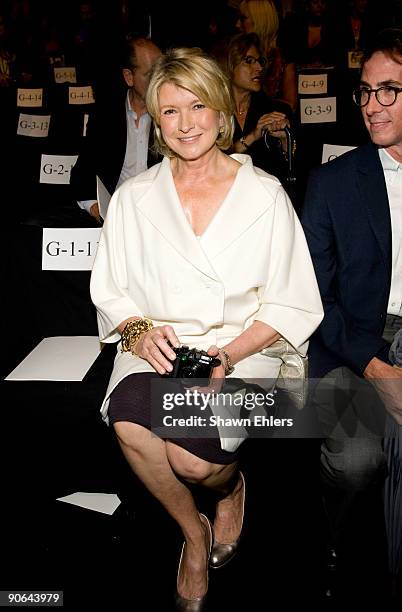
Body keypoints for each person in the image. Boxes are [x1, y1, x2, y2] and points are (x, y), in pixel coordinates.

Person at [90, 46, 323, 609]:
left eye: (198, 106)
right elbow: (112, 290)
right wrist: (139, 330)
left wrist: (231, 353)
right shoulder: (133, 198)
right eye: (169, 111)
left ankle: (230, 486)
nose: (186, 123)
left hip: (247, 349)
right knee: (131, 425)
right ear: (155, 122)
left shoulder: (265, 196)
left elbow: (292, 300)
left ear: (222, 111)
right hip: (158, 348)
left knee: (193, 459)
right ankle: (193, 534)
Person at [301, 28, 402, 597]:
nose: (371, 106)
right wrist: (377, 368)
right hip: (352, 341)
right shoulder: (334, 181)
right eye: (365, 92)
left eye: (389, 90)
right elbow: (316, 298)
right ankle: (339, 536)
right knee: (358, 461)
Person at [70, 36, 161, 223]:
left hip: (159, 215)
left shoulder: (173, 114)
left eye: (163, 71)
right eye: (151, 74)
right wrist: (95, 206)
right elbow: (83, 169)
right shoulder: (106, 114)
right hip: (115, 213)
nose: (159, 80)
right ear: (129, 77)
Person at [221, 32, 294, 196]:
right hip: (224, 199)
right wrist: (253, 136)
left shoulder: (275, 111)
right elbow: (212, 162)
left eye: (260, 61)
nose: (259, 68)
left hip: (267, 198)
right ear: (229, 65)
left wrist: (284, 140)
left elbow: (296, 166)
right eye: (248, 61)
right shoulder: (212, 112)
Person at [235, 0, 298, 112]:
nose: (237, 24)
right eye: (249, 61)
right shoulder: (234, 52)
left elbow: (291, 105)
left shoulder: (283, 56)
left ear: (259, 21)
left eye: (243, 18)